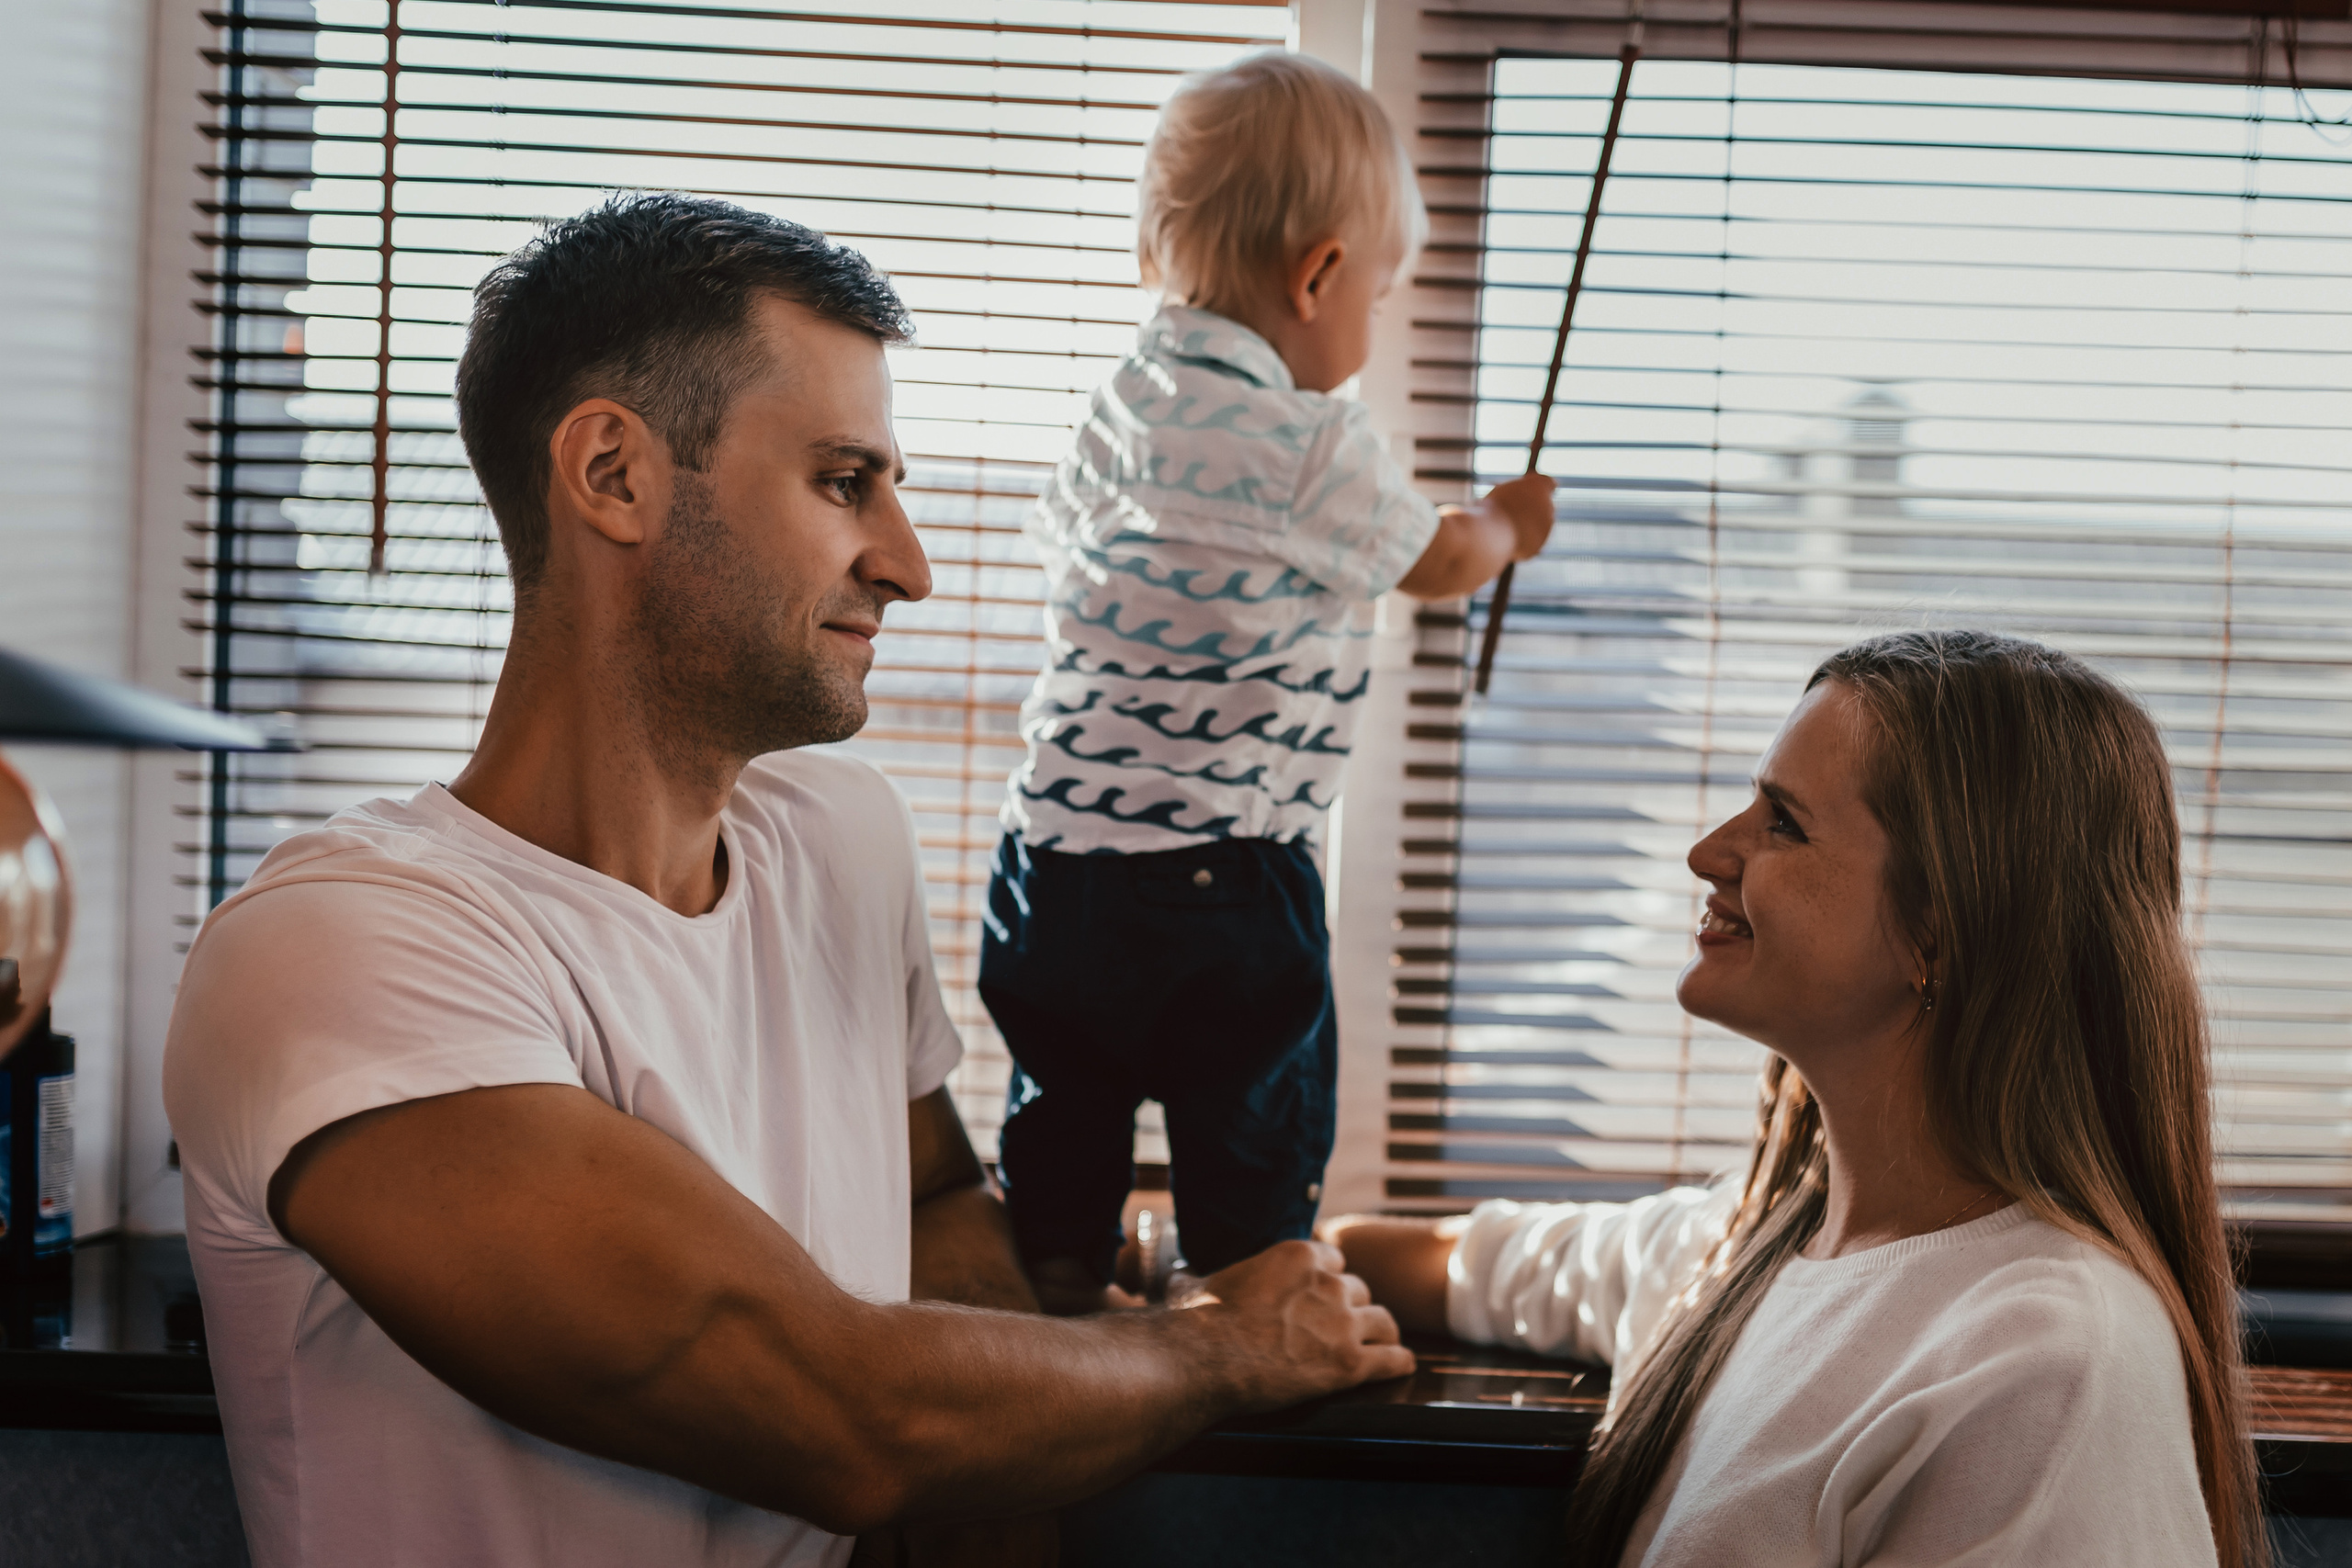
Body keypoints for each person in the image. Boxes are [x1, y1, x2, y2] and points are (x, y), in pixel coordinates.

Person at [162, 193, 1412, 1568]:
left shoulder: (837, 837)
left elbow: (933, 1204)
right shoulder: (342, 947)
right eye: (842, 480)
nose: (910, 563)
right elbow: (841, 1412)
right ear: (613, 475)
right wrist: (1224, 1349)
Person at [1326, 630, 2264, 1568]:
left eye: (1781, 822)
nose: (1706, 851)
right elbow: (1475, 1267)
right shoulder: (1736, 1244)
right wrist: (1262, 1295)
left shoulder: (2045, 1365)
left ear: (1936, 931)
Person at [983, 51, 1558, 1314]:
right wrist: (1509, 522)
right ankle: (1253, 1303)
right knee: (1253, 1104)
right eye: (1382, 293)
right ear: (1318, 275)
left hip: (1051, 867)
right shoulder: (1312, 445)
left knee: (1063, 1094)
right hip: (1219, 877)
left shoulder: (1116, 405)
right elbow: (1442, 557)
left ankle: (1064, 1276)